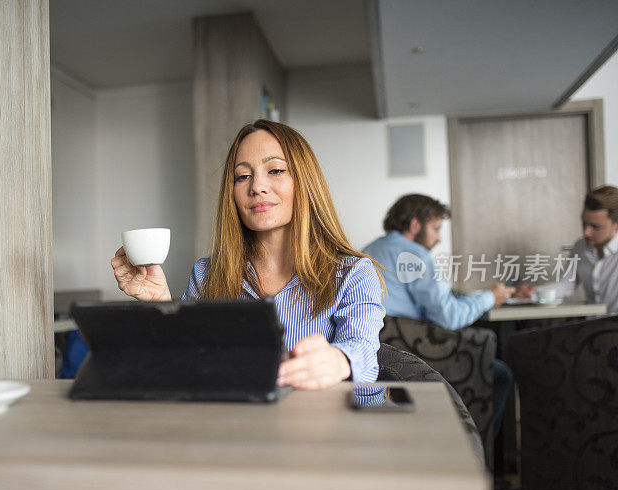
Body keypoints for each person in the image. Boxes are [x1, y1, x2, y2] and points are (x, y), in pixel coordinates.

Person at [111, 119, 386, 390]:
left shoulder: (353, 272)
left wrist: (338, 361)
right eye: (243, 176)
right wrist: (161, 303)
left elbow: (362, 352)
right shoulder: (206, 274)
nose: (257, 186)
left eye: (275, 170)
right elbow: (183, 363)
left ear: (305, 182)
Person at [362, 194, 513, 442]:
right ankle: (480, 459)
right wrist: (489, 298)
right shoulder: (413, 255)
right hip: (416, 352)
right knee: (499, 373)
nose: (439, 238)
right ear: (414, 225)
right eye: (435, 229)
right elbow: (449, 316)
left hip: (379, 352)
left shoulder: (371, 248)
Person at [515, 185, 618, 314]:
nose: (586, 232)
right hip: (594, 327)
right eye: (584, 223)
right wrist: (532, 292)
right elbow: (565, 286)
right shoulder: (581, 247)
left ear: (616, 226)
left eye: (595, 227)